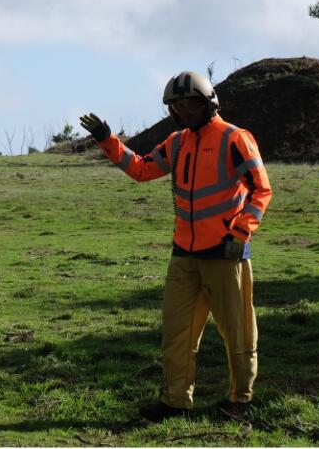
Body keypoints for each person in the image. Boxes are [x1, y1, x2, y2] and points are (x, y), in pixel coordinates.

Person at [80, 70, 273, 422]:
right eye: (177, 106)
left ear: (208, 103)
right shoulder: (177, 142)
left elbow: (261, 190)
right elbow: (141, 169)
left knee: (238, 332)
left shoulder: (235, 139)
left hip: (225, 255)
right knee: (176, 334)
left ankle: (240, 402)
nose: (183, 112)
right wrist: (108, 140)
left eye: (189, 105)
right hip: (184, 255)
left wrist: (241, 233)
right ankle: (175, 403)